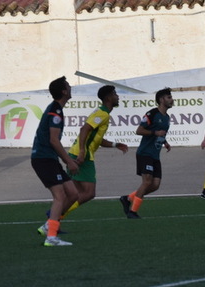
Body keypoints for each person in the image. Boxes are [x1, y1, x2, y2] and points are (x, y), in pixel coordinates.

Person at [41, 85, 128, 232]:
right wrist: (82, 152)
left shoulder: (103, 113)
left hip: (78, 154)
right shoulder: (103, 113)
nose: (117, 96)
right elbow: (84, 130)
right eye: (114, 94)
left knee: (72, 194)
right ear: (108, 98)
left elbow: (96, 139)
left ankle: (53, 221)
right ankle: (54, 218)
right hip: (83, 156)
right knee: (88, 193)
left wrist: (115, 144)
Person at [31, 76, 80, 247]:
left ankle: (48, 226)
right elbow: (53, 140)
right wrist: (69, 161)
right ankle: (51, 237)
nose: (70, 87)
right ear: (64, 91)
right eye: (68, 85)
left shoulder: (57, 109)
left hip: (49, 158)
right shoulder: (55, 111)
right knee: (59, 196)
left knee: (73, 194)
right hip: (43, 158)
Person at [119, 87, 173, 219]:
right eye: (169, 97)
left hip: (155, 155)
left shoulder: (166, 117)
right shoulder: (151, 114)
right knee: (147, 181)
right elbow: (139, 131)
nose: (172, 100)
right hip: (145, 153)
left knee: (155, 185)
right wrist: (155, 133)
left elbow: (160, 132)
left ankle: (128, 198)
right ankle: (133, 212)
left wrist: (164, 141)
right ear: (161, 100)